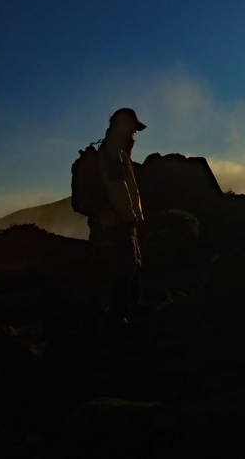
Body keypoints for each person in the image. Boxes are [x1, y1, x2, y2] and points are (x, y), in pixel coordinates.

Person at [94, 107, 147, 329]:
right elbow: (117, 187)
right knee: (125, 269)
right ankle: (119, 319)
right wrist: (129, 217)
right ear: (122, 126)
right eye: (133, 129)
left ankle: (124, 314)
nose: (134, 134)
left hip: (116, 222)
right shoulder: (113, 152)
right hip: (118, 223)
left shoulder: (116, 151)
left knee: (128, 268)